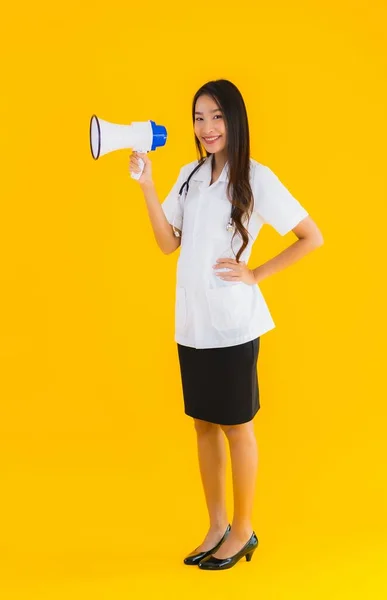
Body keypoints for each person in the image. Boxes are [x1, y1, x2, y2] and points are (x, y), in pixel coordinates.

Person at [129, 79, 324, 571]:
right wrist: (148, 185)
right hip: (191, 323)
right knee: (203, 425)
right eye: (199, 118)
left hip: (233, 325)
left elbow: (311, 236)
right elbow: (166, 243)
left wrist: (255, 273)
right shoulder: (189, 175)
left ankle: (243, 529)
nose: (207, 127)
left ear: (234, 120)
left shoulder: (256, 178)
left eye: (216, 116)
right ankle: (216, 525)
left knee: (237, 427)